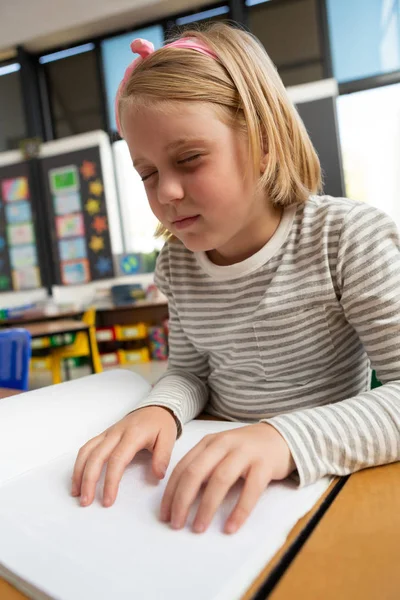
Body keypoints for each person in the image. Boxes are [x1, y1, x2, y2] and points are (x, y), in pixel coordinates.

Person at [71, 23, 400, 535]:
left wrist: (282, 440)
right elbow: (190, 373)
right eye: (147, 173)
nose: (167, 192)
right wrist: (162, 407)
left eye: (188, 159)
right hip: (215, 485)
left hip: (323, 493)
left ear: (264, 141)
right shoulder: (176, 266)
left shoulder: (346, 238)